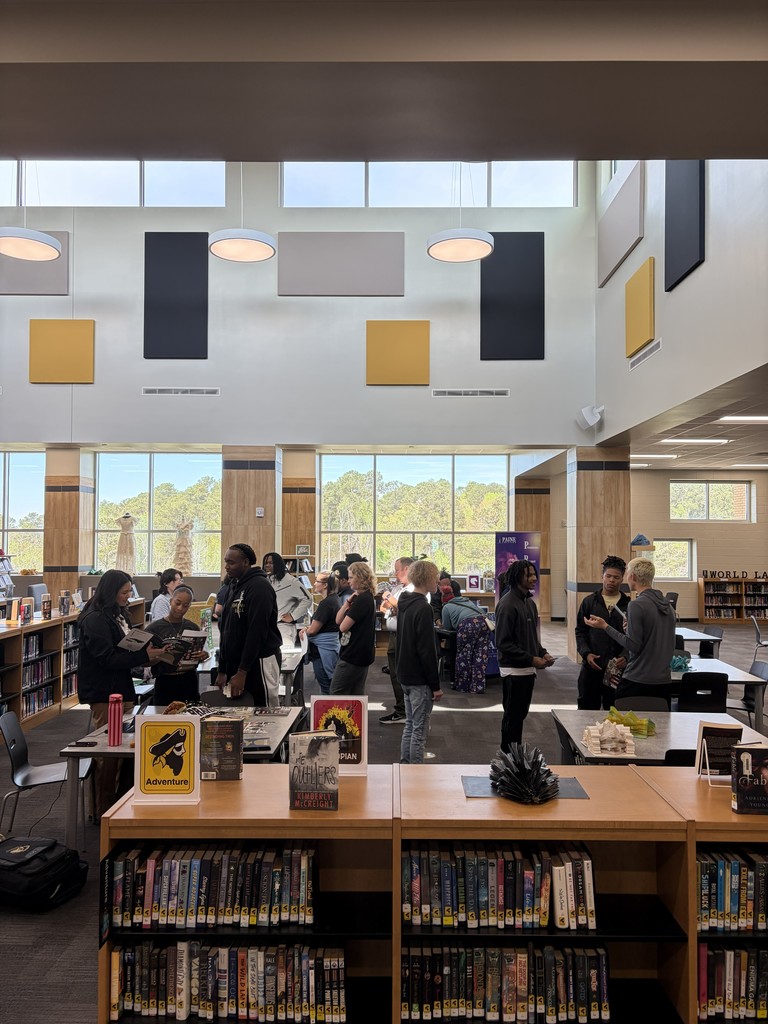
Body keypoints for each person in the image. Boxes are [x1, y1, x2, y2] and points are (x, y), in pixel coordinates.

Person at [77, 569, 169, 817]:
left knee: (122, 750)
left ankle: (118, 804)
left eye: (129, 592)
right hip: (104, 692)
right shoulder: (95, 619)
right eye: (124, 592)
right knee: (108, 753)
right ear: (111, 592)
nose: (129, 597)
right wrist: (142, 656)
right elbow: (106, 658)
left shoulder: (115, 614)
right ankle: (103, 811)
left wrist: (147, 652)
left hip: (120, 687)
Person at [583, 556, 676, 706]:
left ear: (632, 576)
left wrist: (605, 626)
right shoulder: (668, 607)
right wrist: (630, 629)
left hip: (638, 679)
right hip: (663, 680)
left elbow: (633, 645)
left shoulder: (636, 605)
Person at [495, 559, 555, 750]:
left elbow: (532, 638)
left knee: (520, 716)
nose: (533, 578)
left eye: (534, 574)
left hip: (528, 670)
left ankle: (515, 757)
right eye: (528, 574)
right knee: (512, 718)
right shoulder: (507, 604)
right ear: (516, 577)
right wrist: (531, 659)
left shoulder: (529, 603)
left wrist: (543, 653)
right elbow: (502, 643)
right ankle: (507, 759)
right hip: (513, 672)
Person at [216, 543, 283, 706]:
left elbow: (257, 632)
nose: (226, 567)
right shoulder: (233, 585)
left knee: (265, 712)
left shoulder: (260, 587)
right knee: (239, 711)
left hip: (259, 662)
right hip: (237, 663)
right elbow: (225, 629)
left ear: (245, 562)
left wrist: (242, 671)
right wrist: (222, 669)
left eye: (231, 562)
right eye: (226, 562)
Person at [396, 559, 444, 764]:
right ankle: (415, 775)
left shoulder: (404, 603)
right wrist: (435, 685)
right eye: (436, 578)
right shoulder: (423, 608)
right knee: (419, 730)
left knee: (410, 725)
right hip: (419, 679)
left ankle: (405, 768)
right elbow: (427, 651)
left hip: (405, 674)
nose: (438, 583)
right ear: (427, 579)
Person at [573, 555, 630, 710]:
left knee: (615, 711)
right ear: (602, 576)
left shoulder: (629, 605)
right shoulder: (590, 602)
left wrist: (625, 655)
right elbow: (580, 631)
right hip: (592, 666)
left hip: (617, 668)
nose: (612, 580)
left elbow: (634, 637)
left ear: (622, 579)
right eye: (608, 576)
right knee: (586, 710)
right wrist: (586, 653)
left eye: (616, 577)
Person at [146, 584, 210, 705]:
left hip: (188, 679)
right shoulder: (154, 628)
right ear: (171, 601)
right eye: (177, 603)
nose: (180, 608)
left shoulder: (192, 627)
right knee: (163, 717)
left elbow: (202, 654)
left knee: (190, 716)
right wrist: (159, 655)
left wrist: (203, 655)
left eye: (185, 606)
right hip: (165, 680)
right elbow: (143, 660)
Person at [329, 559, 377, 695]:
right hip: (359, 653)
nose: (348, 581)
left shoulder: (362, 600)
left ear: (361, 578)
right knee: (355, 694)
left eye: (351, 577)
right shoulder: (361, 597)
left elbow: (343, 627)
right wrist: (347, 603)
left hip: (353, 654)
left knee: (336, 692)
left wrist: (351, 604)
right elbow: (338, 620)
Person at [378, 556, 415, 724]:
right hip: (393, 636)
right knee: (394, 674)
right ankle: (401, 709)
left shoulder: (415, 589)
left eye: (397, 569)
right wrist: (391, 604)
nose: (395, 573)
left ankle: (407, 710)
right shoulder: (399, 588)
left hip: (404, 636)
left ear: (407, 569)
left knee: (404, 674)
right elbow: (384, 607)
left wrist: (391, 602)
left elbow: (404, 608)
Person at [299, 571, 341, 695]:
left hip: (322, 651)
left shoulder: (326, 603)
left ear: (325, 585)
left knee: (326, 687)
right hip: (328, 648)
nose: (314, 583)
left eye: (317, 581)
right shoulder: (335, 599)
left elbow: (313, 630)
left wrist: (306, 630)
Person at [262, 552, 313, 642]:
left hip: (283, 628)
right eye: (266, 563)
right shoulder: (265, 580)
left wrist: (293, 616)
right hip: (267, 627)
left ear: (278, 564)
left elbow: (308, 598)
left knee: (285, 655)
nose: (267, 565)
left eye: (271, 563)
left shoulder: (290, 581)